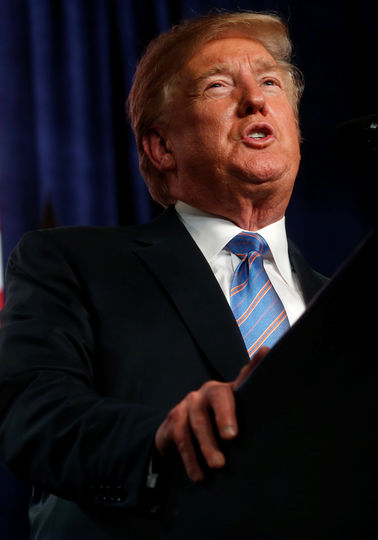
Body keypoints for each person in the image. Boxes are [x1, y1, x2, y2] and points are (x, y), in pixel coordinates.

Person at [0, 11, 326, 538]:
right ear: (161, 147)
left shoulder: (348, 308)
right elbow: (30, 413)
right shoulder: (73, 263)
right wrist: (158, 438)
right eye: (219, 85)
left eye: (270, 81)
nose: (256, 99)